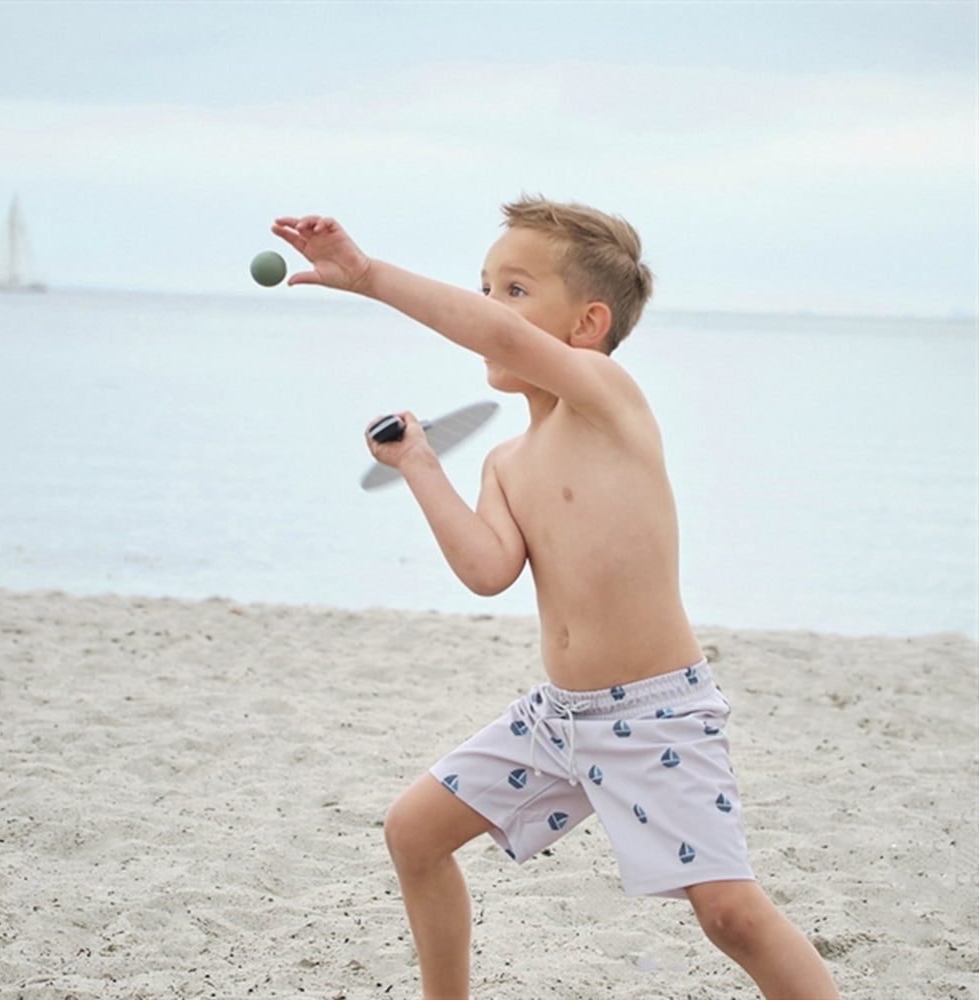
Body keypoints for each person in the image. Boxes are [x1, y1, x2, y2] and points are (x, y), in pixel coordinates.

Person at [272, 200, 840, 1000]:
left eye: (514, 290)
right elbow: (487, 569)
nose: (488, 309)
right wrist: (421, 467)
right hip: (558, 718)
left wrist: (367, 276)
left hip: (657, 715)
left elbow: (501, 339)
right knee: (414, 833)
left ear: (587, 324)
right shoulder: (506, 462)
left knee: (729, 916)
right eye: (485, 288)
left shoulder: (608, 398)